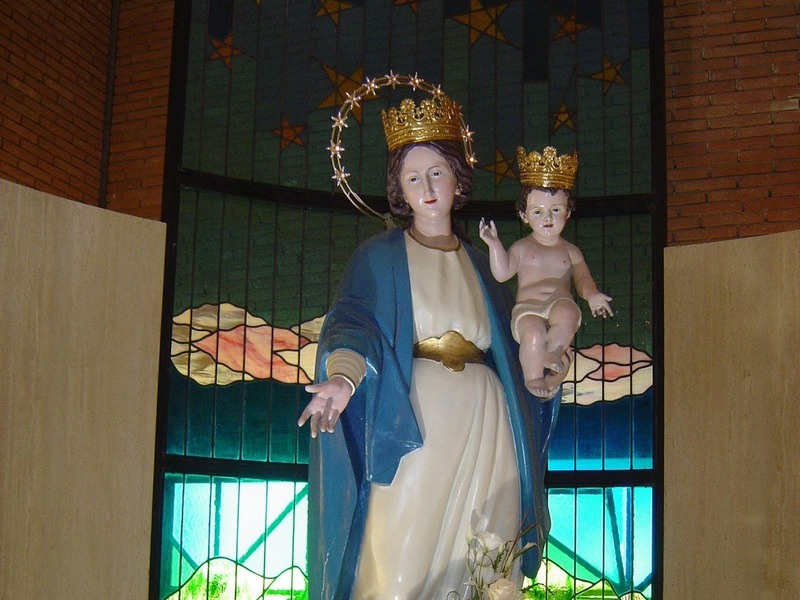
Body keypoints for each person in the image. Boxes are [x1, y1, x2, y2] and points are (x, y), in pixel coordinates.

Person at [298, 93, 560, 599]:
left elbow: (516, 345)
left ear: (457, 178)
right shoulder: (380, 257)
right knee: (401, 562)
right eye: (413, 177)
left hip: (487, 417)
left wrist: (546, 367)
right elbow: (354, 324)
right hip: (414, 419)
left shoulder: (485, 264)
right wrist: (343, 376)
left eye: (437, 173)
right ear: (399, 189)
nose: (427, 187)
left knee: (488, 556)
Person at [479, 146, 613, 399]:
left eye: (556, 210)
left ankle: (554, 352)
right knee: (533, 333)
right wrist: (494, 245)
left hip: (559, 302)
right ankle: (533, 377)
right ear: (524, 216)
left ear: (568, 213)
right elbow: (502, 274)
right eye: (538, 211)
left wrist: (592, 295)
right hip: (528, 308)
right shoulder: (521, 247)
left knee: (567, 313)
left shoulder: (570, 251)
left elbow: (583, 279)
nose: (547, 218)